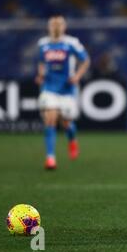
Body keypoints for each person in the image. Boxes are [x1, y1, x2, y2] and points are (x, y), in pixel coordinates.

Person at [36, 15, 90, 170]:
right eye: (53, 24)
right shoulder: (43, 44)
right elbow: (41, 62)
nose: (56, 26)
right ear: (49, 27)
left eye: (59, 24)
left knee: (66, 122)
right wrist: (40, 75)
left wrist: (77, 76)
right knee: (50, 118)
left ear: (64, 27)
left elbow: (85, 60)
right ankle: (50, 158)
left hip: (67, 88)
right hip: (49, 87)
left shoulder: (71, 43)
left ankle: (72, 139)